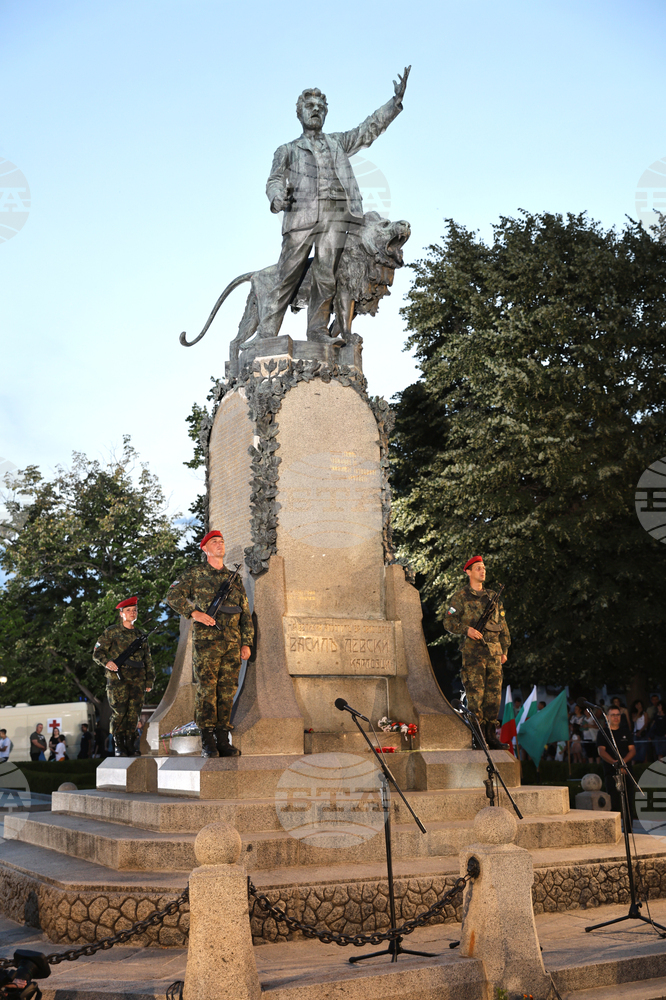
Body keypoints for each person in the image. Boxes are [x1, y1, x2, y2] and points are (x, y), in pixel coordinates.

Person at [259, 68, 410, 342]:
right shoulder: (288, 150)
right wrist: (277, 197)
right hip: (301, 218)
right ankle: (266, 336)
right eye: (309, 106)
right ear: (300, 113)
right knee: (287, 276)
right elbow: (274, 180)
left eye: (320, 107)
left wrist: (394, 103)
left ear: (325, 113)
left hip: (336, 216)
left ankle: (317, 331)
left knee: (326, 275)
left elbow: (368, 129)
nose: (315, 110)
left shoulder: (338, 142)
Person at [165, 530, 254, 758]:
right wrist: (194, 613)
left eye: (222, 541)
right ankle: (207, 740)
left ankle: (223, 740)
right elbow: (173, 596)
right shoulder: (196, 573)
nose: (220, 545)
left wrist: (247, 643)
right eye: (214, 542)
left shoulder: (234, 579)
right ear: (204, 548)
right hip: (207, 644)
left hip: (232, 645)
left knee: (227, 692)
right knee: (207, 692)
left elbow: (245, 614)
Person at [444, 555, 511, 750]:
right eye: (478, 568)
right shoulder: (460, 597)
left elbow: (503, 625)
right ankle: (477, 736)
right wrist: (467, 630)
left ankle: (491, 735)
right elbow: (448, 622)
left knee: (493, 697)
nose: (483, 571)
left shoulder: (492, 596)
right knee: (475, 697)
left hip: (494, 654)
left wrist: (504, 649)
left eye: (484, 568)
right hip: (474, 656)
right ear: (469, 572)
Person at [92, 596, 154, 757]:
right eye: (128, 610)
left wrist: (149, 679)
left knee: (134, 712)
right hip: (118, 679)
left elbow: (147, 659)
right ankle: (119, 743)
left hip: (138, 679)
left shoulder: (140, 635)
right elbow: (97, 652)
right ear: (121, 613)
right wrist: (107, 663)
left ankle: (131, 743)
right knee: (120, 712)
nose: (132, 613)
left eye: (134, 610)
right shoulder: (112, 632)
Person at [599, 706, 636, 830]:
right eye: (613, 715)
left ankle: (629, 831)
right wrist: (615, 763)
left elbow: (632, 750)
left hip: (626, 771)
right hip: (612, 773)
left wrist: (623, 763)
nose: (616, 717)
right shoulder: (603, 732)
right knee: (615, 803)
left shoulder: (625, 731)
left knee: (629, 802)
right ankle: (615, 831)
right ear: (607, 717)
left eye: (618, 715)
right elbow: (601, 751)